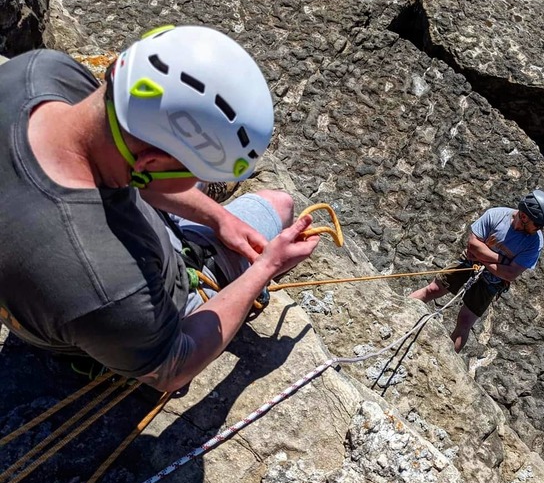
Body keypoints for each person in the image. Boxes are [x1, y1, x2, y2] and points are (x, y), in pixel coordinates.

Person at [0, 25, 320, 392]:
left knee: (201, 195)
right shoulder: (109, 287)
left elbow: (117, 156)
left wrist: (218, 217)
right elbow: (172, 368)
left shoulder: (40, 71)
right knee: (279, 205)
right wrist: (265, 268)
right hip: (124, 307)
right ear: (151, 164)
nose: (196, 181)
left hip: (68, 259)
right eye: (195, 172)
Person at [410, 190, 544, 352]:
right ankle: (401, 311)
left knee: (465, 321)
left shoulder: (535, 243)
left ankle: (446, 357)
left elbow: (510, 274)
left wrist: (482, 257)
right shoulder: (496, 215)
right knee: (433, 289)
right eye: (538, 224)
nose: (540, 229)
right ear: (524, 216)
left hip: (493, 281)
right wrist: (503, 260)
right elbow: (473, 245)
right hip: (469, 262)